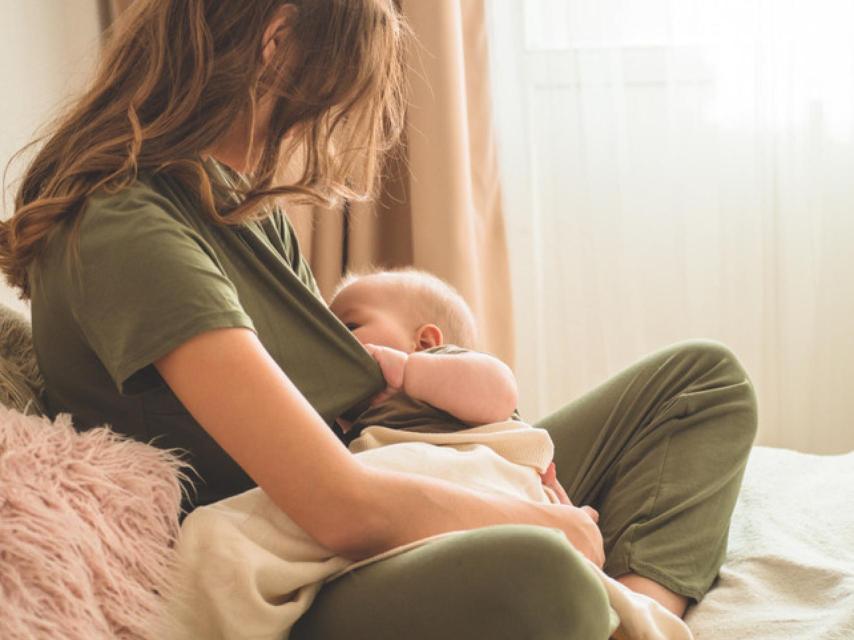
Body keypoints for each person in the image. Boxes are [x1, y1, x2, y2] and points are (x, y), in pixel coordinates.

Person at [0, 2, 757, 638]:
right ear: (278, 42)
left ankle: (641, 610)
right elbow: (338, 507)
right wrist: (544, 524)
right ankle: (611, 605)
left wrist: (495, 460)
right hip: (310, 569)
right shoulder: (127, 228)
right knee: (545, 575)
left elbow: (360, 408)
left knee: (703, 381)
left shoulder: (234, 205)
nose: (321, 121)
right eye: (336, 86)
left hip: (381, 480)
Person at [327, 267, 586, 510]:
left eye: (349, 327)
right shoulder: (350, 422)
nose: (334, 342)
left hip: (486, 490)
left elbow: (500, 393)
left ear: (426, 343)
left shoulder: (449, 373)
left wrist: (407, 371)